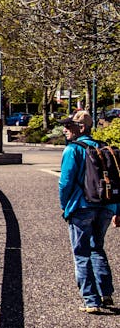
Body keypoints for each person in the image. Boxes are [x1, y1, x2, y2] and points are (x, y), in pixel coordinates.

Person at [59, 110, 119, 313]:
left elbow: (65, 182)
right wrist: (117, 209)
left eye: (69, 126)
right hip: (106, 206)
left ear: (81, 128)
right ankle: (106, 293)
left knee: (81, 253)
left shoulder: (73, 150)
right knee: (97, 248)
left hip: (82, 207)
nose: (65, 130)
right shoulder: (105, 148)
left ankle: (91, 301)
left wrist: (65, 206)